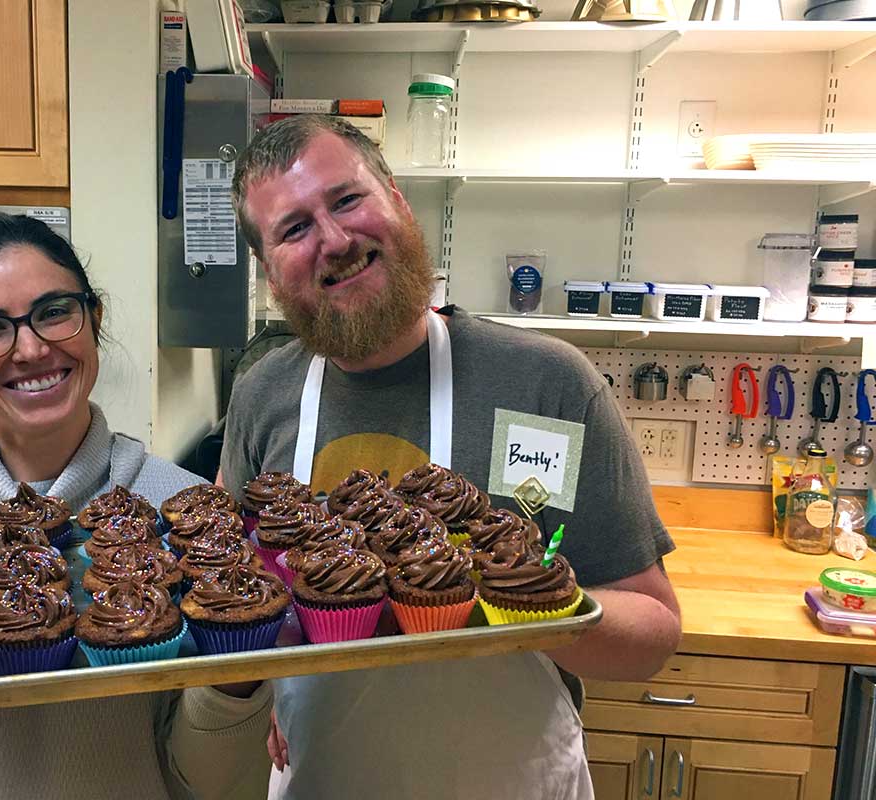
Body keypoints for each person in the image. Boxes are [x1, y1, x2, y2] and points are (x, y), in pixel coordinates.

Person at [219, 115, 682, 798]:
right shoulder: (262, 392)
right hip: (325, 777)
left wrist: (525, 598)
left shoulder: (548, 382)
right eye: (294, 229)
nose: (336, 240)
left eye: (348, 200)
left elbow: (654, 633)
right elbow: (231, 612)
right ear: (269, 270)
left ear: (398, 202)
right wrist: (253, 699)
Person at [0, 213, 271, 800]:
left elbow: (215, 787)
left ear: (94, 320)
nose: (32, 348)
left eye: (54, 311)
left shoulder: (184, 516)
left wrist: (238, 674)